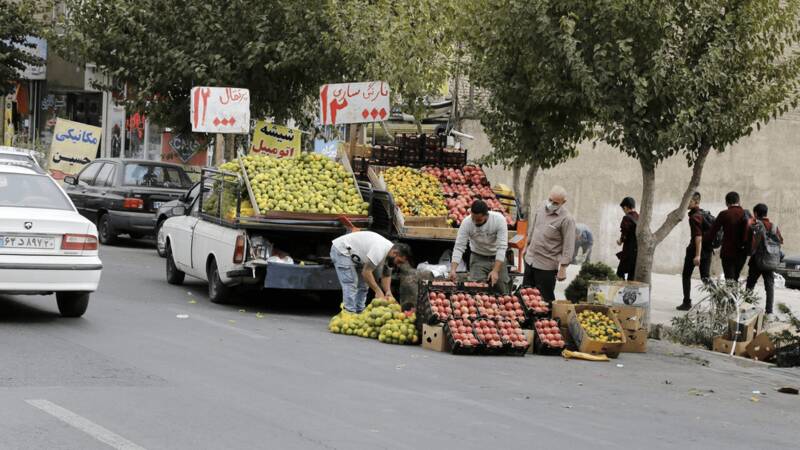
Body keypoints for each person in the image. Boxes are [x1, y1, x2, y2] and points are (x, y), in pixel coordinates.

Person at [330, 231, 412, 313]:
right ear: (395, 253)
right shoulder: (380, 250)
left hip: (356, 255)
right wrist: (378, 291)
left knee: (364, 285)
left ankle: (359, 311)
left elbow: (386, 274)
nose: (398, 265)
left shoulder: (390, 253)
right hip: (342, 250)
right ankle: (349, 312)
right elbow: (366, 272)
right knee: (351, 282)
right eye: (399, 261)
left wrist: (388, 292)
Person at [523, 185, 576, 303]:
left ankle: (546, 320)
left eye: (556, 202)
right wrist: (527, 245)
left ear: (564, 202)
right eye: (550, 200)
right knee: (525, 296)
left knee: (544, 301)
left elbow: (569, 245)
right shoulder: (541, 206)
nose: (551, 203)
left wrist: (563, 268)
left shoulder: (567, 219)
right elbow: (534, 227)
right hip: (530, 260)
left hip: (546, 266)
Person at [449, 199, 510, 293]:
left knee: (502, 291)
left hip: (497, 258)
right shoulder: (467, 223)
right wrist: (453, 269)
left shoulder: (499, 220)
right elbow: (459, 247)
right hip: (478, 257)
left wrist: (495, 270)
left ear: (486, 215)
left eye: (478, 220)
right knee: (475, 291)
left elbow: (502, 247)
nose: (475, 222)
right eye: (473, 218)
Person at [745, 203, 784, 317]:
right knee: (769, 286)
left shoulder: (757, 225)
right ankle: (769, 311)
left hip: (757, 261)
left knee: (750, 284)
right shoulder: (774, 226)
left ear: (756, 213)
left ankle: (746, 307)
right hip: (770, 260)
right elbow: (780, 241)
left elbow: (753, 243)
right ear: (766, 213)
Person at [678, 192, 713, 311]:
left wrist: (697, 255)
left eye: (688, 200)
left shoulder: (694, 217)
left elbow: (698, 237)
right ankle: (720, 299)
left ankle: (686, 302)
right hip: (707, 250)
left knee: (686, 275)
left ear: (696, 202)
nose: (685, 203)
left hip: (695, 250)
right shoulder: (703, 213)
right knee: (705, 278)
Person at [706, 191, 750, 281]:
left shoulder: (724, 214)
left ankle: (731, 294)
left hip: (728, 251)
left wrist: (706, 243)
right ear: (739, 201)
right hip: (742, 252)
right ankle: (734, 294)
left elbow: (712, 232)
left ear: (726, 202)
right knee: (735, 277)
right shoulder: (746, 214)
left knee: (729, 278)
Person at [616, 197, 639, 280]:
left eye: (623, 209)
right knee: (631, 277)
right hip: (637, 253)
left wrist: (620, 241)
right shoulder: (639, 217)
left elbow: (625, 232)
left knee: (619, 274)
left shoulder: (627, 218)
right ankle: (629, 292)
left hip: (628, 251)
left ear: (625, 207)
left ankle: (620, 291)